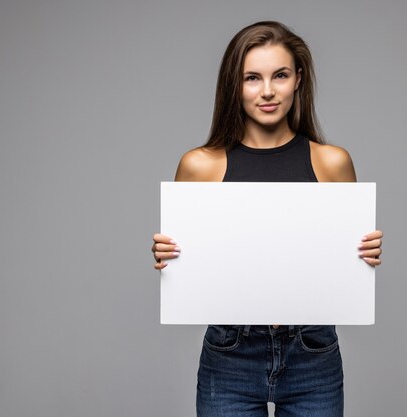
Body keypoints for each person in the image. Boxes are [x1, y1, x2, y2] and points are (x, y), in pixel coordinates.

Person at [151, 20, 383, 417]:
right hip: (231, 352)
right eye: (252, 78)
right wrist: (168, 257)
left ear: (298, 80)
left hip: (312, 350)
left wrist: (363, 254)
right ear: (234, 86)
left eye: (280, 75)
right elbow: (188, 267)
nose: (269, 91)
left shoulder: (333, 163)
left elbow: (341, 261)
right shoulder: (200, 165)